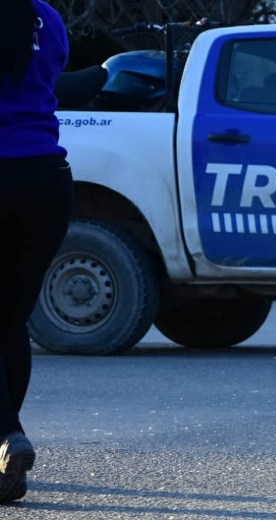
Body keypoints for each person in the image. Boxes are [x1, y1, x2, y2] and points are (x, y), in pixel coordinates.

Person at [0, 0, 72, 503]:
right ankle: (7, 464)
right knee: (10, 322)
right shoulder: (46, 15)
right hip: (47, 181)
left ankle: (7, 434)